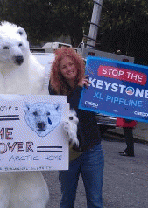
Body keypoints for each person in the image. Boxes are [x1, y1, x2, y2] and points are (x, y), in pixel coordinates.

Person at [49, 48, 104, 208]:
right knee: (67, 199)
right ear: (58, 71)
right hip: (68, 152)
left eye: (71, 64)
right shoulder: (55, 88)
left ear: (77, 64)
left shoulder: (91, 81)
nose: (69, 69)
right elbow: (67, 112)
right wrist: (79, 88)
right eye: (64, 67)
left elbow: (116, 100)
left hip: (92, 150)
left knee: (95, 200)